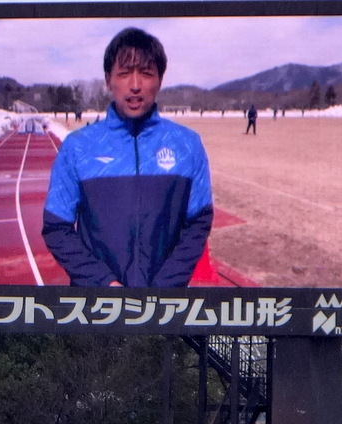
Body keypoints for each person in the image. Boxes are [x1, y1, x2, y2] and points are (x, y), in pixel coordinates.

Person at [42, 27, 213, 288]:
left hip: (164, 303)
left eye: (146, 73)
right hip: (97, 303)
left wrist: (163, 289)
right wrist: (104, 284)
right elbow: (57, 227)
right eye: (124, 74)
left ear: (160, 80)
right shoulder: (78, 147)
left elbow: (198, 222)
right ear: (108, 79)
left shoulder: (187, 145)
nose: (135, 85)